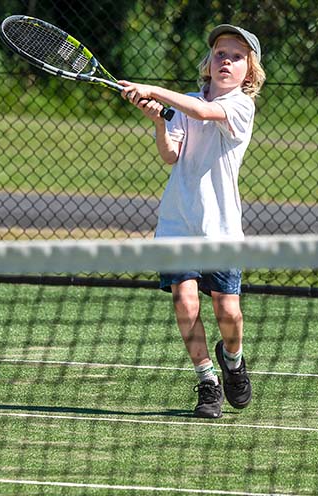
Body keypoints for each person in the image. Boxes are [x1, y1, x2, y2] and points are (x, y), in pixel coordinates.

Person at [119, 25, 266, 418]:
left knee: (228, 313)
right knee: (185, 302)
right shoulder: (187, 102)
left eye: (237, 56)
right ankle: (207, 381)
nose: (226, 61)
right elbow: (171, 155)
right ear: (209, 61)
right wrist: (157, 121)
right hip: (177, 223)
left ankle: (233, 361)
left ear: (249, 71)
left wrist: (153, 90)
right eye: (220, 53)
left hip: (222, 229)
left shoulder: (240, 106)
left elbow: (203, 112)